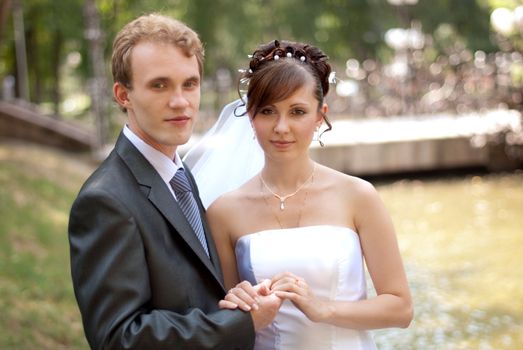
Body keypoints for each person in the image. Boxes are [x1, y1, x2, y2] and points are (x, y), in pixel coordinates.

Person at [68, 14, 280, 350]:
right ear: (123, 95)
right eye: (159, 85)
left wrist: (238, 298)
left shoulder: (179, 175)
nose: (180, 101)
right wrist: (241, 323)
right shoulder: (105, 200)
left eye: (189, 84)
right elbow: (118, 337)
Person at [189, 39, 413, 349]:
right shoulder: (223, 212)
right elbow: (226, 322)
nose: (282, 127)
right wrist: (237, 306)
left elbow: (401, 309)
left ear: (320, 115)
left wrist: (325, 309)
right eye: (268, 111)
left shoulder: (358, 196)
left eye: (297, 111)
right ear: (250, 115)